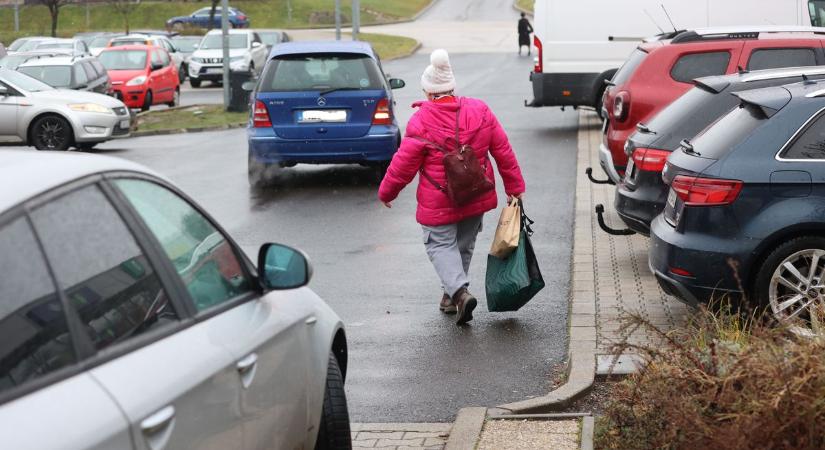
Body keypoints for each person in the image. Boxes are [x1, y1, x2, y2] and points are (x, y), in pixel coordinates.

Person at [378, 49, 526, 326]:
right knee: (463, 245)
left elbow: (403, 164)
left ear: (429, 92)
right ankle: (451, 297)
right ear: (451, 87)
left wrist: (387, 192)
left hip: (440, 200)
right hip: (476, 194)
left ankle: (458, 294)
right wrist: (514, 186)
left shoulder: (421, 121)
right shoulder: (480, 110)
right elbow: (503, 150)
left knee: (440, 244)